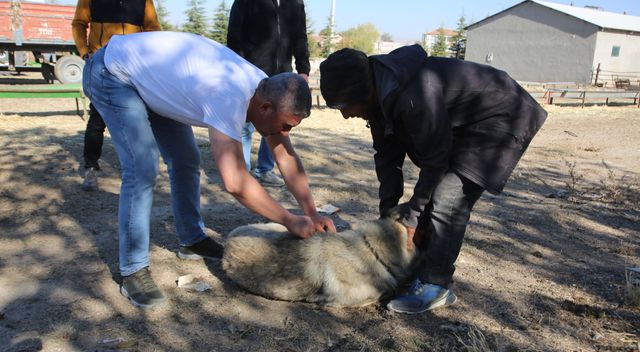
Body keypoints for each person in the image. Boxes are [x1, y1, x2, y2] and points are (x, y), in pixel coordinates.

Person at [83, 31, 336, 309]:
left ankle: (191, 239)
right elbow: (235, 181)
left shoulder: (266, 90)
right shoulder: (227, 95)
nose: (284, 133)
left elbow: (285, 156)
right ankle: (133, 269)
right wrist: (289, 219)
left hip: (151, 81)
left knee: (186, 161)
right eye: (285, 125)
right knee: (142, 167)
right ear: (264, 108)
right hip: (113, 73)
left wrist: (311, 211)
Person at [319, 46, 547, 314]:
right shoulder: (379, 97)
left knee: (447, 199)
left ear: (363, 93)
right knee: (428, 200)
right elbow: (387, 159)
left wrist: (413, 217)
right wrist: (386, 220)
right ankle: (420, 266)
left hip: (502, 118)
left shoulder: (412, 95)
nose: (346, 115)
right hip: (462, 124)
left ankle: (436, 284)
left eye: (344, 106)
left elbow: (435, 162)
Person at [72, 0, 161, 191]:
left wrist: (150, 58)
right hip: (102, 65)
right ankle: (90, 167)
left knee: (140, 119)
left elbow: (153, 29)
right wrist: (85, 52)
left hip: (134, 67)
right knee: (97, 120)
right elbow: (79, 23)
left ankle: (139, 170)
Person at [227, 0, 310, 187]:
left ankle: (265, 170)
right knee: (244, 125)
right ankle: (242, 169)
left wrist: (303, 68)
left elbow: (300, 36)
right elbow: (234, 33)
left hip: (282, 76)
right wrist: (238, 67)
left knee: (275, 124)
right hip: (250, 71)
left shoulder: (295, 3)